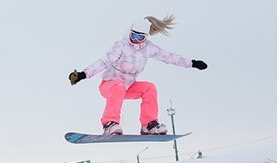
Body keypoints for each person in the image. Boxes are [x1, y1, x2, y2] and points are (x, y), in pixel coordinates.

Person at [68, 15, 207, 135]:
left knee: (149, 88)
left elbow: (169, 57)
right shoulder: (121, 46)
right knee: (118, 87)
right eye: (133, 35)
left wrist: (192, 63)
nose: (135, 39)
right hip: (109, 85)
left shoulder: (148, 48)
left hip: (128, 86)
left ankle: (149, 124)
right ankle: (109, 123)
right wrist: (83, 74)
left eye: (139, 37)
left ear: (145, 37)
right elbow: (103, 62)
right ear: (130, 32)